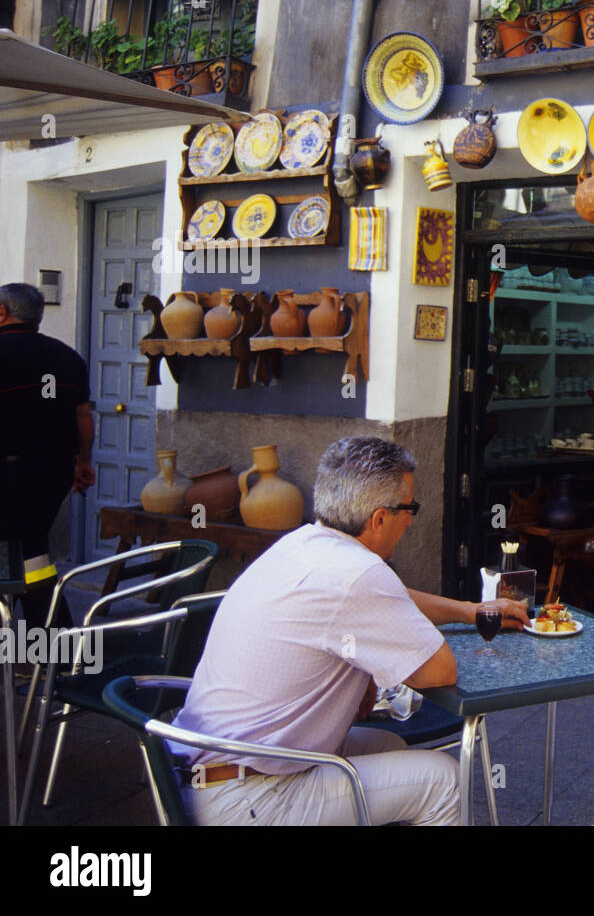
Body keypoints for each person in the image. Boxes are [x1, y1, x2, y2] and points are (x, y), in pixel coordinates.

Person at [172, 436, 527, 825]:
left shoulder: (303, 544)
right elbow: (439, 671)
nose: (411, 519)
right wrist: (370, 667)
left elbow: (387, 600)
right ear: (379, 518)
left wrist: (472, 611)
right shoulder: (359, 574)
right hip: (247, 800)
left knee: (388, 746)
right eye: (410, 508)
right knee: (445, 781)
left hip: (203, 772)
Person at [0, 283, 94, 630]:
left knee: (21, 557)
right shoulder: (67, 357)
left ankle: (41, 653)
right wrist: (84, 461)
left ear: (2, 313)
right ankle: (53, 652)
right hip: (52, 474)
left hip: (8, 475)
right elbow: (83, 415)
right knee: (30, 554)